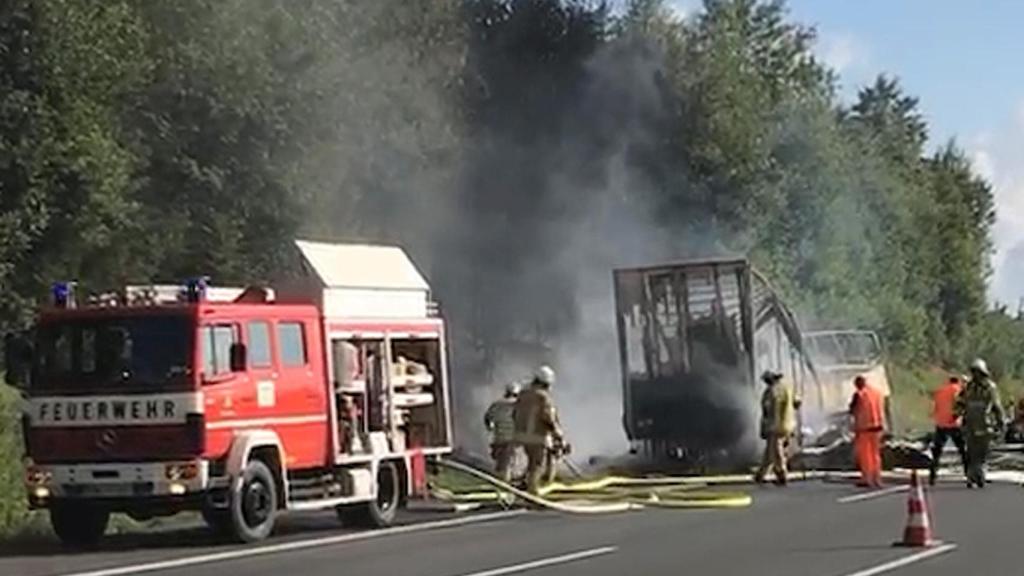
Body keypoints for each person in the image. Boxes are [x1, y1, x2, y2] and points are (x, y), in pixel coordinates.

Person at [955, 358, 1005, 488]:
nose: (975, 375)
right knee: (971, 451)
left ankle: (979, 473)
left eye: (978, 372)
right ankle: (973, 475)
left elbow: (996, 406)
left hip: (985, 424)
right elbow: (959, 403)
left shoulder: (990, 387)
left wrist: (1001, 422)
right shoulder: (968, 387)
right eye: (974, 372)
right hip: (970, 424)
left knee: (982, 450)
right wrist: (956, 414)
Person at [514, 365, 564, 494]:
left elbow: (514, 413)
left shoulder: (523, 394)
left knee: (531, 463)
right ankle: (532, 493)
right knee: (537, 465)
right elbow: (548, 418)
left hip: (522, 435)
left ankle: (525, 486)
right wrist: (558, 434)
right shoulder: (543, 397)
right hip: (537, 437)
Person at [754, 371, 799, 486]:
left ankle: (781, 474)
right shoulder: (788, 388)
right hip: (789, 424)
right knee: (770, 451)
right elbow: (797, 402)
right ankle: (761, 474)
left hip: (775, 426)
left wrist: (763, 428)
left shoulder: (770, 392)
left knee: (776, 451)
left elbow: (767, 411)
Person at [929, 375, 967, 485]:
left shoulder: (940, 391)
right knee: (963, 450)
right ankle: (968, 473)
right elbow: (962, 406)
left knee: (937, 451)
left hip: (941, 423)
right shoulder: (958, 390)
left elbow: (935, 407)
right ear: (958, 382)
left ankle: (932, 475)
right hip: (954, 424)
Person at [849, 375, 885, 488]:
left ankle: (867, 478)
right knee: (875, 455)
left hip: (864, 428)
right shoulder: (877, 393)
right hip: (877, 427)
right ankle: (877, 478)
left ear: (858, 384)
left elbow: (852, 409)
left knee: (865, 456)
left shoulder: (859, 394)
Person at [484, 383, 520, 482]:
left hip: (498, 438)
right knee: (508, 463)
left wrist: (490, 427)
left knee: (501, 462)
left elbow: (487, 418)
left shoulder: (496, 405)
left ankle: (500, 480)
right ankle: (505, 483)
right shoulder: (518, 405)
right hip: (512, 439)